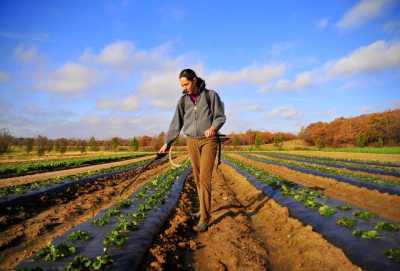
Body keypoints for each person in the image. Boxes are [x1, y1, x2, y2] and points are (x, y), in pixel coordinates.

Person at [158, 68, 226, 232]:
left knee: (204, 178)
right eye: (182, 85)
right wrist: (167, 143)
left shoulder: (211, 96)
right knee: (196, 177)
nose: (185, 87)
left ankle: (205, 218)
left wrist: (213, 127)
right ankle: (202, 209)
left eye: (187, 84)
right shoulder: (183, 101)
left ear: (194, 80)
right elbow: (176, 123)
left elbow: (220, 116)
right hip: (191, 141)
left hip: (209, 140)